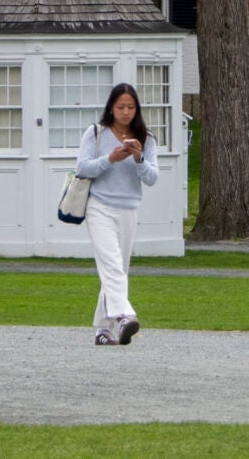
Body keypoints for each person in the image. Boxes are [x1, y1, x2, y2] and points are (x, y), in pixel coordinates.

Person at [74, 81, 160, 346]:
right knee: (111, 264)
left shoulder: (146, 138)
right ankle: (124, 316)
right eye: (120, 107)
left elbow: (152, 178)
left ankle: (103, 329)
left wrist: (138, 159)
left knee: (118, 269)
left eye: (131, 107)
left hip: (129, 208)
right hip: (99, 206)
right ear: (111, 108)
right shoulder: (96, 133)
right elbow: (82, 168)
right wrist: (110, 159)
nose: (125, 112)